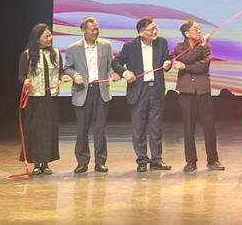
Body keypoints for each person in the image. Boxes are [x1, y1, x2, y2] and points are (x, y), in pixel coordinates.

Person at [111, 17, 173, 172]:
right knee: (139, 128)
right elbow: (116, 63)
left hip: (156, 89)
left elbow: (168, 58)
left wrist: (168, 64)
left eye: (156, 28)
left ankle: (157, 160)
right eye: (152, 29)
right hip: (139, 91)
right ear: (141, 32)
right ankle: (142, 160)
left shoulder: (162, 43)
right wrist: (125, 73)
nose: (155, 32)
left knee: (156, 128)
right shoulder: (130, 46)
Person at [63, 16, 121, 174]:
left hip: (101, 91)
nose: (95, 32)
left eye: (97, 29)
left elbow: (110, 66)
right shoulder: (73, 48)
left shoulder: (106, 45)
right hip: (83, 91)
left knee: (100, 128)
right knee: (82, 129)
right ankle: (82, 162)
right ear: (83, 30)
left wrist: (114, 74)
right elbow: (67, 68)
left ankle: (100, 162)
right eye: (92, 29)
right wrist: (75, 75)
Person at [18, 23, 70, 175]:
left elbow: (60, 72)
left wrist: (63, 77)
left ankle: (46, 162)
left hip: (50, 98)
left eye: (50, 35)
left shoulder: (55, 53)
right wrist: (26, 81)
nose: (50, 38)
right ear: (37, 39)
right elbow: (21, 75)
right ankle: (36, 163)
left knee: (49, 129)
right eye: (46, 36)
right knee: (35, 130)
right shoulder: (27, 54)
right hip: (34, 99)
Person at [173, 20, 224, 172]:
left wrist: (185, 67)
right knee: (188, 127)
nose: (199, 31)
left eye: (199, 29)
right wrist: (197, 52)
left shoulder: (206, 46)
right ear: (187, 33)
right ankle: (191, 161)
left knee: (209, 126)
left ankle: (212, 160)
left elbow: (203, 66)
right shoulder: (179, 47)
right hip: (186, 91)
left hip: (202, 90)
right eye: (195, 29)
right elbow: (187, 58)